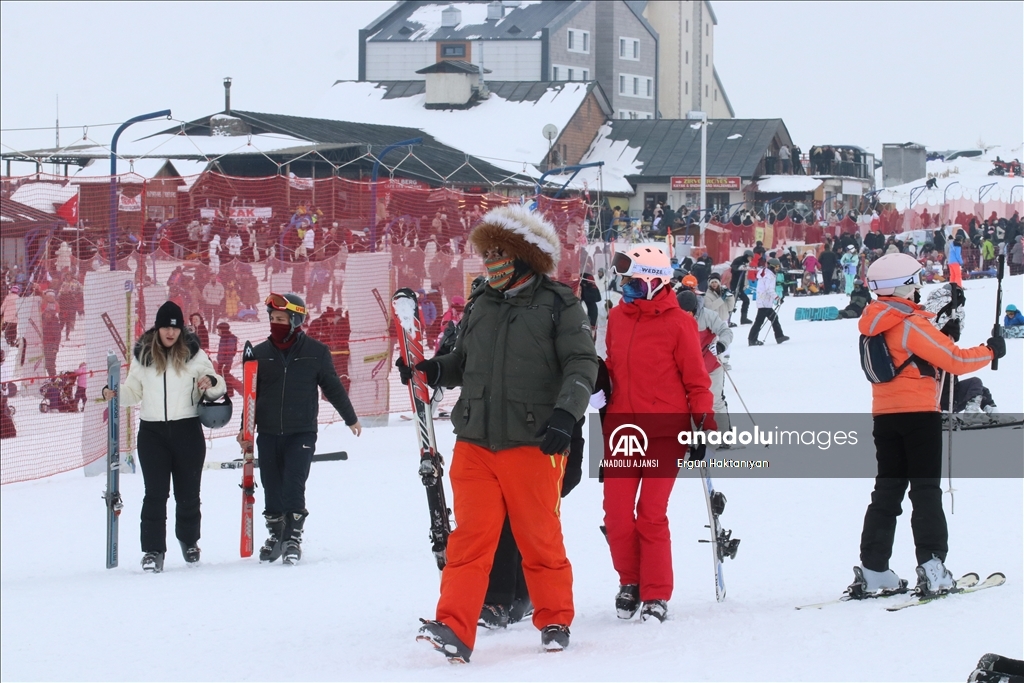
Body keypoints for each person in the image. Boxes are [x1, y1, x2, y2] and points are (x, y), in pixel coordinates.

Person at [405, 204, 598, 661]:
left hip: (534, 441)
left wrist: (566, 416)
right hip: (475, 440)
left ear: (523, 255)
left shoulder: (558, 304)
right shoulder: (482, 304)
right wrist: (433, 369)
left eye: (498, 252)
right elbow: (464, 363)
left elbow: (582, 363)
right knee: (469, 538)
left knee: (539, 535)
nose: (490, 261)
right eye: (485, 252)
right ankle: (454, 625)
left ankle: (554, 617)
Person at [850, 253, 1003, 597]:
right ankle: (933, 568)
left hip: (884, 417)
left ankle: (874, 570)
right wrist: (991, 350)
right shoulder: (907, 323)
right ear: (902, 285)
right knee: (925, 490)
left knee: (887, 491)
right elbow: (954, 360)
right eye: (915, 281)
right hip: (919, 416)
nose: (919, 288)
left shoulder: (873, 321)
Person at [602, 246, 715, 624]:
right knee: (617, 516)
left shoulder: (679, 323)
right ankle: (630, 582)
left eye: (634, 282)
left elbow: (697, 382)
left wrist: (703, 427)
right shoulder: (617, 318)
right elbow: (613, 366)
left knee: (650, 514)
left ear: (655, 281)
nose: (627, 289)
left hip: (665, 432)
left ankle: (655, 593)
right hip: (623, 431)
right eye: (625, 282)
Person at [237, 293, 362, 566]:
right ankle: (276, 535)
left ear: (295, 320)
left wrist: (350, 417)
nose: (275, 324)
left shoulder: (316, 352)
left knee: (293, 483)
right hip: (268, 432)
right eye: (272, 319)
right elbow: (251, 396)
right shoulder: (260, 354)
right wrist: (244, 431)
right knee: (271, 484)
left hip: (301, 431)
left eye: (281, 319)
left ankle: (293, 538)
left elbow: (333, 387)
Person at [101, 301, 225, 572]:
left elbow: (217, 384)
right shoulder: (143, 356)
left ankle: (189, 541)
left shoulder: (193, 353)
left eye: (175, 328)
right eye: (166, 328)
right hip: (153, 433)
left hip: (188, 430)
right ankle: (153, 551)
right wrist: (116, 393)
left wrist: (211, 383)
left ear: (181, 329)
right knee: (155, 494)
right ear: (157, 328)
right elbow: (134, 392)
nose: (170, 333)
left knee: (189, 494)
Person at [678, 287, 733, 435]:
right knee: (690, 403)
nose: (686, 315)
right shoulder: (675, 319)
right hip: (690, 370)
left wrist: (721, 345)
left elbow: (726, 331)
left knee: (715, 401)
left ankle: (723, 436)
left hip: (711, 367)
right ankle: (695, 438)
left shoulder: (707, 316)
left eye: (689, 312)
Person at [748, 258, 789, 346]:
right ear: (772, 266)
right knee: (759, 321)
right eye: (777, 267)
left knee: (774, 317)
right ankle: (752, 339)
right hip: (764, 302)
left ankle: (779, 336)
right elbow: (769, 289)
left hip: (764, 301)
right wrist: (777, 298)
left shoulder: (766, 273)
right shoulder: (769, 276)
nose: (778, 269)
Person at [214, 322, 242, 397]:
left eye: (219, 329)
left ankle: (229, 393)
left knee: (225, 376)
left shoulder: (229, 338)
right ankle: (227, 392)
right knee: (223, 376)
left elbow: (230, 351)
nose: (218, 331)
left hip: (225, 362)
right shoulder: (223, 337)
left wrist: (226, 362)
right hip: (222, 361)